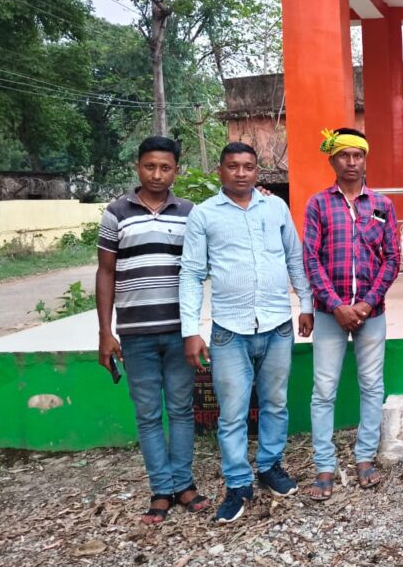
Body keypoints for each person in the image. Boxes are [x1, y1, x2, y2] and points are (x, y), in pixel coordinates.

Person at [179, 142, 314, 523]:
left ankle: (270, 465)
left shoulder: (275, 207)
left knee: (275, 403)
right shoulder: (204, 214)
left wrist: (306, 304)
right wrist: (191, 330)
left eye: (249, 166)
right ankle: (238, 483)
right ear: (220, 171)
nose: (241, 173)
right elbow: (191, 273)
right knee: (232, 414)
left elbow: (294, 257)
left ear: (258, 171)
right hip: (230, 331)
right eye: (233, 166)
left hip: (277, 325)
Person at [96, 136, 206, 524]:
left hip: (179, 332)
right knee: (147, 414)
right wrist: (105, 332)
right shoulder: (116, 213)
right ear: (138, 167)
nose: (157, 174)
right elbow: (106, 272)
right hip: (135, 334)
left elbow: (199, 268)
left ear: (176, 170)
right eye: (150, 166)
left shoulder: (190, 213)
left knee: (181, 410)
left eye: (165, 167)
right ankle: (161, 490)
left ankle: (184, 484)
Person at [302, 128, 399, 500]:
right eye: (344, 155)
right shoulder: (318, 204)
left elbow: (392, 259)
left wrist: (367, 303)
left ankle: (364, 457)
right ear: (332, 160)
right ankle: (324, 465)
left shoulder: (381, 205)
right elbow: (310, 259)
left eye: (358, 155)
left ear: (365, 159)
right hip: (331, 313)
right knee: (324, 389)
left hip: (371, 313)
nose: (352, 162)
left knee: (372, 386)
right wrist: (336, 305)